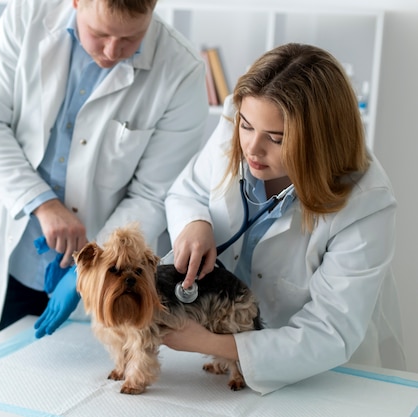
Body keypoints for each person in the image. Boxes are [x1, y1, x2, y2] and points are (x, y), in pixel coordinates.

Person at [0, 0, 209, 342]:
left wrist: (94, 270)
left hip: (101, 277)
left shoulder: (181, 70)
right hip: (9, 258)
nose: (112, 51)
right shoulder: (27, 16)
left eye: (130, 39)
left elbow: (153, 194)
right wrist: (42, 203)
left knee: (77, 385)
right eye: (99, 34)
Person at [162, 43, 406, 395]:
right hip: (226, 361)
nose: (252, 149)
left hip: (323, 375)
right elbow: (188, 192)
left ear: (319, 142)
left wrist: (213, 343)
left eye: (276, 139)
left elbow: (330, 330)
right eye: (246, 126)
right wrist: (195, 223)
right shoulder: (243, 121)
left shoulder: (367, 202)